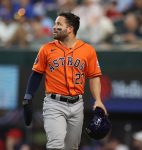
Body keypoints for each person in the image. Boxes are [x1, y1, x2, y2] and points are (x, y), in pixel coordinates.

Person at [23, 12, 107, 150]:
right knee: (55, 145)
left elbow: (94, 76)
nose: (54, 27)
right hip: (53, 103)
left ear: (70, 29)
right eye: (55, 23)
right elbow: (36, 74)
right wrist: (28, 95)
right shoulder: (46, 49)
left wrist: (98, 99)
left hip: (77, 104)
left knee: (71, 147)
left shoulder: (88, 50)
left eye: (59, 24)